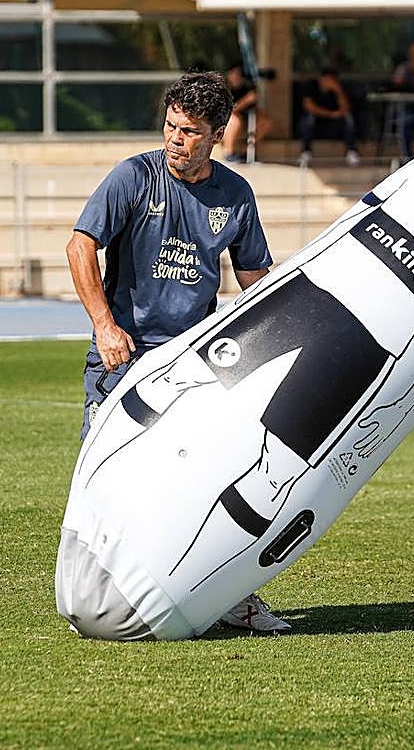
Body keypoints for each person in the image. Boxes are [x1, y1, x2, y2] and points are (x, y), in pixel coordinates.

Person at [84, 104, 414, 599]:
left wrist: (395, 399)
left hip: (365, 347)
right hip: (305, 295)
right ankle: (97, 545)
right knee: (175, 388)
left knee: (272, 471)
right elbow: (346, 234)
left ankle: (208, 590)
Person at [65, 71, 288, 634]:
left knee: (221, 477)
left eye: (188, 132)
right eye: (169, 127)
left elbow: (255, 278)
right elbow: (80, 246)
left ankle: (235, 597)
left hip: (197, 364)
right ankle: (98, 599)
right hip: (125, 357)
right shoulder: (133, 178)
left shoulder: (235, 194)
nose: (174, 140)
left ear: (216, 134)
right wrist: (104, 326)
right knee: (111, 480)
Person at [299, 67, 361, 167]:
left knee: (348, 118)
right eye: (326, 79)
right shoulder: (312, 86)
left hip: (335, 125)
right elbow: (308, 106)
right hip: (317, 123)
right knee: (308, 118)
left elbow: (346, 109)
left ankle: (352, 152)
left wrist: (338, 90)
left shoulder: (339, 88)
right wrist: (329, 114)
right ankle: (306, 151)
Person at [221, 62, 271, 162]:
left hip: (246, 117)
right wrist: (246, 100)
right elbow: (230, 110)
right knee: (235, 120)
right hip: (228, 120)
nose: (237, 77)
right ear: (229, 74)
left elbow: (253, 106)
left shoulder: (246, 87)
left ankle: (246, 150)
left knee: (265, 122)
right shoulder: (224, 89)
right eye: (235, 74)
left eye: (239, 74)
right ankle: (228, 153)